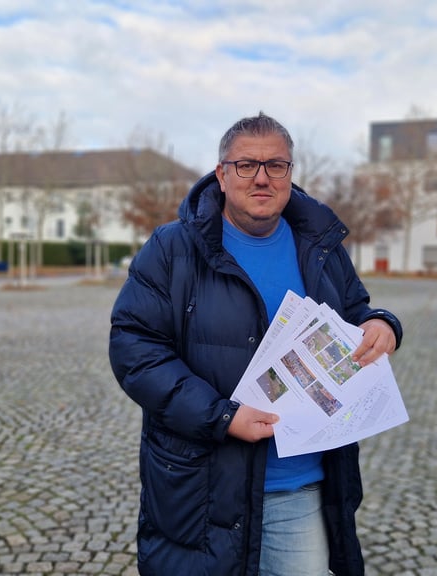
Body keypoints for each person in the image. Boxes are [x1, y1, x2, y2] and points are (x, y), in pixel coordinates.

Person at [108, 112, 403, 576]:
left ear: (290, 173)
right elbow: (135, 349)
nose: (262, 178)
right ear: (222, 174)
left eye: (276, 165)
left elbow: (355, 311)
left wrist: (382, 324)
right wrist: (221, 417)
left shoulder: (321, 246)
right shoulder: (172, 248)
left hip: (300, 487)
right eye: (246, 165)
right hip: (203, 489)